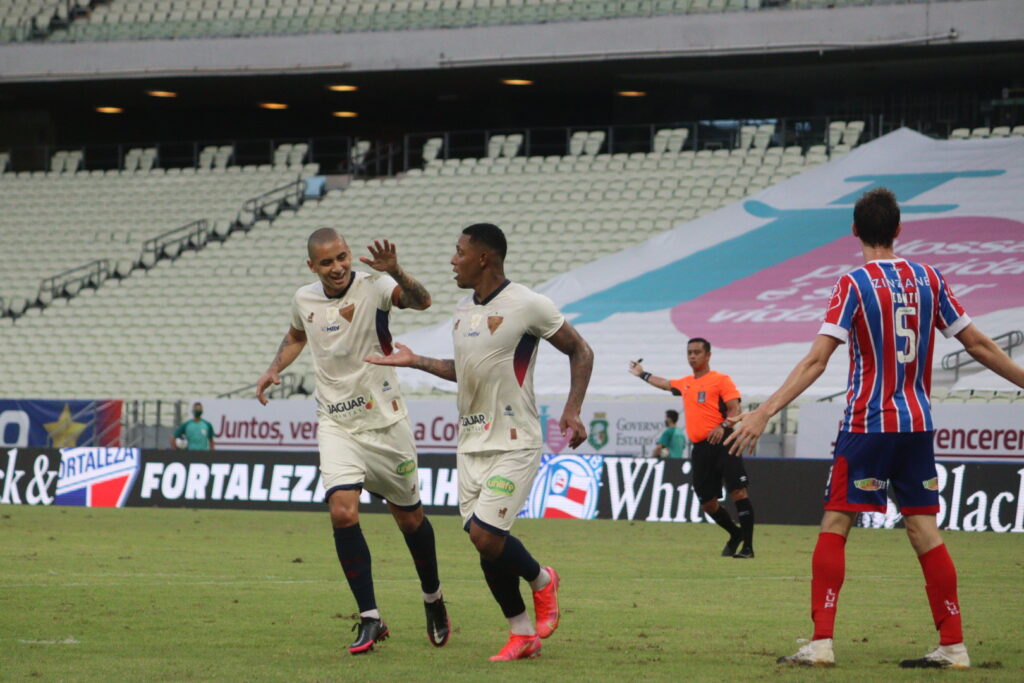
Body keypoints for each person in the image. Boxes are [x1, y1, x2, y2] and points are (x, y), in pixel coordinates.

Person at [725, 188, 1024, 669]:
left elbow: (817, 360)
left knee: (837, 522)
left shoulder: (854, 284)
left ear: (855, 231)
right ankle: (954, 645)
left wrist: (764, 411)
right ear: (899, 230)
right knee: (924, 528)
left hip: (868, 423)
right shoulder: (929, 278)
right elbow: (980, 346)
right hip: (918, 425)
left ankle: (821, 643)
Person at [366, 223, 594, 662]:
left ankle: (544, 580)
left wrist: (572, 409)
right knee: (482, 540)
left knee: (488, 537)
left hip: (515, 442)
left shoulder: (528, 304)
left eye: (459, 252)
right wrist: (416, 361)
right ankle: (522, 633)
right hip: (470, 445)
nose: (452, 260)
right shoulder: (461, 310)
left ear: (484, 258)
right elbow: (464, 370)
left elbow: (580, 350)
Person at [255, 229, 450, 655]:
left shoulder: (375, 285)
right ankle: (370, 618)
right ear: (312, 267)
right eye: (327, 262)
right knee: (342, 512)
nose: (338, 266)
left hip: (385, 422)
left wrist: (395, 269)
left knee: (410, 520)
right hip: (336, 423)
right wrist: (273, 368)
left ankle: (433, 598)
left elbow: (423, 302)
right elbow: (296, 337)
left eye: (342, 257)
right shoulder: (303, 299)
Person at [628, 339, 755, 558]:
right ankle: (735, 534)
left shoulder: (721, 380)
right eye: (689, 352)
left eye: (697, 352)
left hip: (725, 442)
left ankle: (748, 548)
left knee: (738, 491)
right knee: (707, 504)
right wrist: (642, 374)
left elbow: (736, 409)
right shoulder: (686, 383)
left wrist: (723, 425)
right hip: (700, 449)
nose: (692, 356)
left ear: (708, 355)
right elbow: (666, 383)